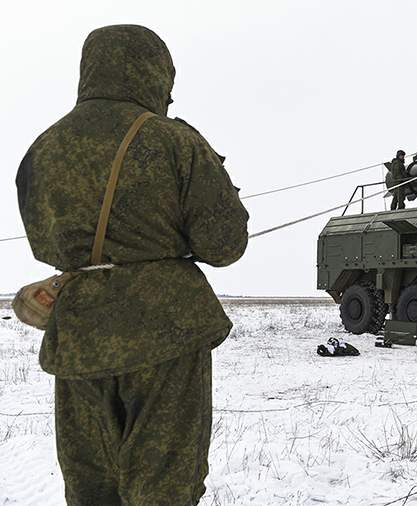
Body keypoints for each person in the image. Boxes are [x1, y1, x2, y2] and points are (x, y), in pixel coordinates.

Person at [15, 25, 249, 505]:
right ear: (154, 72)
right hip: (165, 334)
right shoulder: (173, 141)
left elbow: (44, 243)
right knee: (165, 485)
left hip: (79, 337)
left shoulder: (43, 147)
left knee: (90, 487)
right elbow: (225, 245)